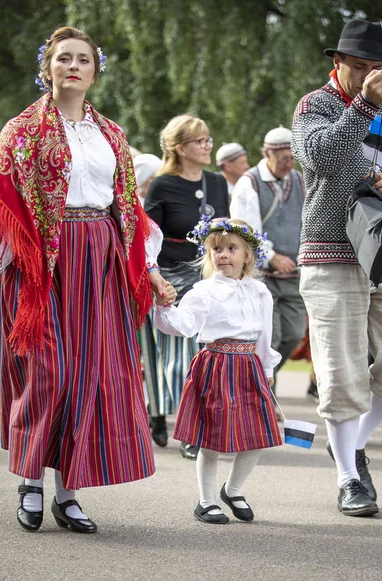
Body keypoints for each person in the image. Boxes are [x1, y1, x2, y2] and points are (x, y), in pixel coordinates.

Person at [0, 26, 175, 534]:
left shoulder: (111, 134)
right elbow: (0, 206)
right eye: (63, 58)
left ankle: (69, 492)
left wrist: (148, 269)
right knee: (46, 372)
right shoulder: (20, 131)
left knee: (87, 376)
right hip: (42, 262)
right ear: (48, 68)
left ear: (94, 71)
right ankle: (30, 483)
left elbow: (129, 208)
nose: (73, 66)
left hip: (99, 256)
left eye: (83, 59)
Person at [291, 19, 382, 516]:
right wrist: (364, 106)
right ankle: (349, 477)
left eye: (376, 68)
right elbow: (321, 158)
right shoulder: (315, 104)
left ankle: (349, 443)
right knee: (341, 371)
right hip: (331, 252)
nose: (370, 74)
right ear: (338, 64)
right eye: (359, 66)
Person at [154, 217, 282, 524]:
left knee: (257, 436)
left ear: (247, 255)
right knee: (212, 439)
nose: (222, 254)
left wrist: (267, 370)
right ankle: (206, 501)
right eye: (216, 248)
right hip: (216, 366)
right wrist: (164, 306)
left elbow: (265, 334)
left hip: (249, 366)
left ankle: (233, 489)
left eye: (231, 248)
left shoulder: (260, 292)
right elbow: (183, 325)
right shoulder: (203, 291)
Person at [144, 114, 230, 459]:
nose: (208, 146)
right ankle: (165, 415)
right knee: (176, 356)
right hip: (171, 277)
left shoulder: (217, 182)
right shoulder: (162, 185)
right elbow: (148, 238)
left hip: (209, 279)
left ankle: (193, 423)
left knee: (206, 354)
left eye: (209, 139)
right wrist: (155, 279)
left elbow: (225, 230)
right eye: (200, 141)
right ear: (180, 148)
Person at [230, 127, 307, 395]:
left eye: (291, 158)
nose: (288, 163)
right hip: (263, 276)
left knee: (294, 335)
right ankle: (262, 394)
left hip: (295, 274)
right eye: (283, 158)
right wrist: (272, 256)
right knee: (269, 337)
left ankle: (263, 385)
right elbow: (244, 229)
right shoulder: (249, 183)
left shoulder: (299, 180)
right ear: (267, 153)